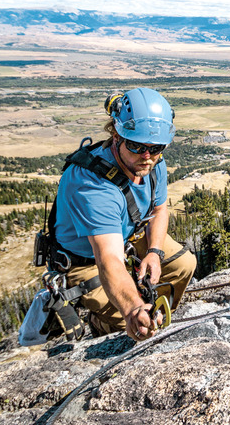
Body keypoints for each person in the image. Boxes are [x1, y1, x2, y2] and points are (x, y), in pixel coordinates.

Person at [51, 88, 196, 342]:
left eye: (156, 147)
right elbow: (108, 258)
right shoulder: (92, 185)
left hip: (128, 236)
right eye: (137, 145)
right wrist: (133, 309)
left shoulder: (153, 163)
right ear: (116, 135)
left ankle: (155, 312)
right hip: (85, 260)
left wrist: (154, 252)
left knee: (184, 265)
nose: (147, 156)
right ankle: (100, 324)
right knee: (127, 325)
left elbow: (159, 208)